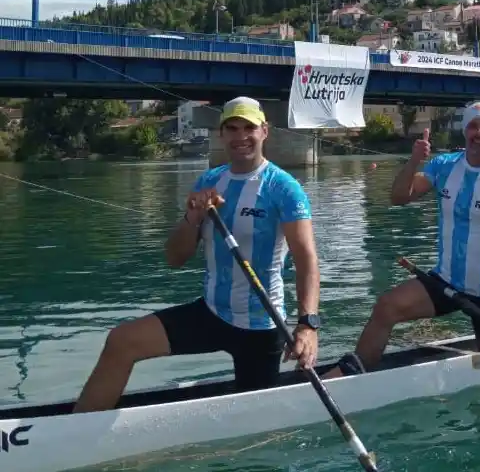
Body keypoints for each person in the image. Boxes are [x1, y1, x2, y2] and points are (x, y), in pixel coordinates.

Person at [73, 96, 321, 413]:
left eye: (249, 128)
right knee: (121, 341)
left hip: (261, 327)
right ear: (221, 134)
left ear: (264, 131)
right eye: (231, 128)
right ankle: (76, 425)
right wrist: (193, 218)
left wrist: (308, 325)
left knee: (253, 424)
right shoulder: (208, 182)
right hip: (212, 313)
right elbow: (175, 259)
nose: (240, 136)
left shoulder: (284, 188)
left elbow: (306, 259)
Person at [322, 99, 480, 379]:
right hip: (445, 281)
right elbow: (398, 197)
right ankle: (354, 373)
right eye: (473, 126)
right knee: (386, 307)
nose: (479, 132)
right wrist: (414, 161)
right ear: (464, 131)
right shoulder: (444, 166)